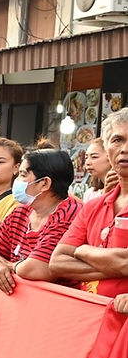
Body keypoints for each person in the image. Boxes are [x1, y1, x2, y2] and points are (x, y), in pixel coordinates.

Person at [0, 148, 81, 293]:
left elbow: (37, 269)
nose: (17, 181)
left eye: (23, 175)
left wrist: (11, 266)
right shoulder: (21, 212)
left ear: (44, 183)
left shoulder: (70, 214)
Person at [50, 110, 128, 295]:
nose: (125, 149)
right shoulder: (93, 206)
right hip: (92, 316)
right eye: (117, 140)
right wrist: (120, 268)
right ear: (107, 148)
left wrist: (83, 251)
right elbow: (58, 262)